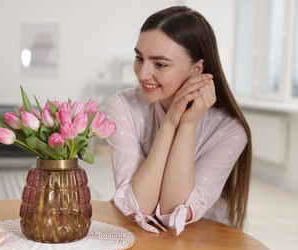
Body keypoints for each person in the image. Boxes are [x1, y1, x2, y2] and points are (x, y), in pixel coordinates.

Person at [105, 6, 252, 235]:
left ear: (196, 70)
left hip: (200, 241)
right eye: (139, 58)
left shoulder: (229, 131)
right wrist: (170, 123)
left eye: (160, 64)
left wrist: (187, 125)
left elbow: (171, 214)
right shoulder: (123, 106)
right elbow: (139, 207)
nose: (143, 74)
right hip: (138, 238)